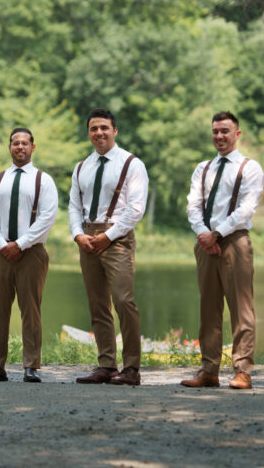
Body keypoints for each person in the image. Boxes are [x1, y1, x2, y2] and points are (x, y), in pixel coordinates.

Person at [181, 111, 264, 390]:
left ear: (237, 134)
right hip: (205, 241)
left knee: (241, 308)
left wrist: (218, 232)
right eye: (216, 131)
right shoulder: (203, 168)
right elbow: (193, 204)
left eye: (225, 131)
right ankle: (209, 370)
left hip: (234, 241)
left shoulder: (249, 167)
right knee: (208, 308)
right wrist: (203, 233)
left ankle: (243, 371)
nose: (219, 136)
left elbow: (246, 209)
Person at [69, 109, 149, 386]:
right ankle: (106, 364)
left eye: (104, 127)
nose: (99, 133)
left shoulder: (131, 163)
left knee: (124, 301)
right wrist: (78, 234)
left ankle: (131, 369)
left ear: (115, 131)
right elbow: (74, 205)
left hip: (117, 238)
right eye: (93, 128)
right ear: (88, 132)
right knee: (97, 304)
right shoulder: (82, 166)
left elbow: (136, 208)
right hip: (88, 237)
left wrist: (109, 235)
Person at [0, 127, 58, 383]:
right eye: (15, 143)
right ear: (9, 147)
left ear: (33, 147)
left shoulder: (43, 180)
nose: (20, 147)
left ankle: (31, 365)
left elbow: (47, 217)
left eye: (25, 143)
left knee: (30, 309)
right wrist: (2, 244)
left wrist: (20, 244)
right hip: (0, 252)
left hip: (31, 252)